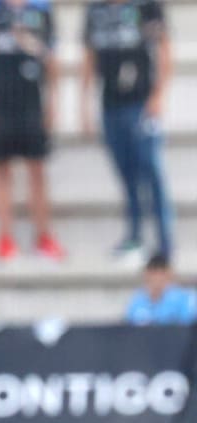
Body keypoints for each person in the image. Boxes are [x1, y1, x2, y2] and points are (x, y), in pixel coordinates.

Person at [0, 0, 65, 262]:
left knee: (37, 170)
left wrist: (53, 101)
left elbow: (52, 57)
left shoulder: (41, 10)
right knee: (1, 170)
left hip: (32, 100)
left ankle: (44, 236)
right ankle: (5, 238)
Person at [82, 0, 173, 266]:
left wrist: (158, 95)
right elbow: (89, 56)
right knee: (126, 173)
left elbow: (165, 48)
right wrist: (84, 104)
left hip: (141, 103)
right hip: (111, 104)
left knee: (150, 170)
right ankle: (135, 236)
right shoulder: (95, 10)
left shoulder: (147, 6)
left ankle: (165, 241)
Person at [125, 254, 197, 325]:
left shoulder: (184, 299)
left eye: (161, 273)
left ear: (169, 274)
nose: (157, 278)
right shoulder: (137, 300)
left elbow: (187, 327)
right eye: (153, 273)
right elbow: (130, 327)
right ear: (146, 275)